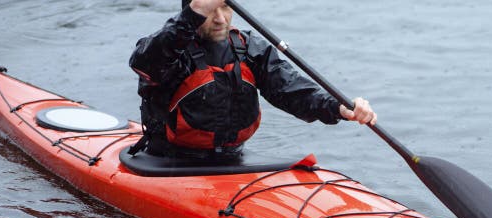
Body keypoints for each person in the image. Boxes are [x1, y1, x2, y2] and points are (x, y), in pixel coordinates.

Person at [129, 0, 376, 158]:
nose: (220, 19)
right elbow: (143, 62)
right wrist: (195, 12)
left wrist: (339, 107)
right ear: (190, 9)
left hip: (234, 160)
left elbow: (293, 91)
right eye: (209, 10)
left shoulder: (247, 47)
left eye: (225, 7)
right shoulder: (168, 50)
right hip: (168, 162)